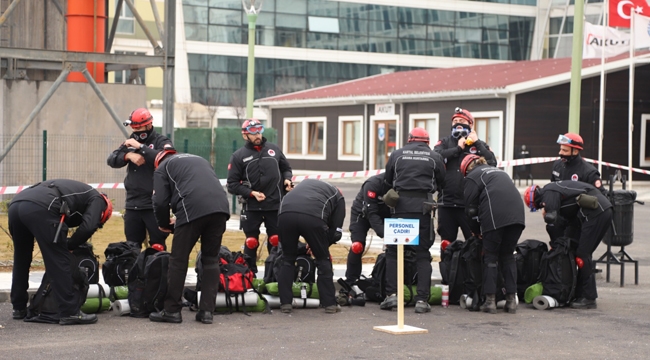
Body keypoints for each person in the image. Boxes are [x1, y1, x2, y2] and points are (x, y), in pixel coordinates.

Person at [9, 179, 113, 325]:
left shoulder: (77, 193)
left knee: (21, 258)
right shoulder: (98, 200)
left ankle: (18, 308)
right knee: (58, 260)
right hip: (42, 206)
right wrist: (71, 244)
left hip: (17, 204)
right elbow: (89, 227)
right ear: (105, 212)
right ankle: (70, 312)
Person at [149, 149, 230, 324]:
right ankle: (207, 311)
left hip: (191, 208)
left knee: (178, 260)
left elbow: (160, 201)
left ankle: (171, 310)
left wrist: (163, 223)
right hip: (221, 208)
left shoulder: (162, 168)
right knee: (211, 260)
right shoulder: (199, 158)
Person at [381, 127, 446, 313]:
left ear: (410, 139)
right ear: (427, 141)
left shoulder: (397, 154)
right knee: (422, 254)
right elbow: (443, 183)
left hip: (399, 207)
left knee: (393, 253)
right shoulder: (434, 157)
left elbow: (387, 180)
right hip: (423, 208)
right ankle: (421, 300)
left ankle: (392, 296)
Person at [524, 181, 613, 309]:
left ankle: (589, 298)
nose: (541, 208)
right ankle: (578, 292)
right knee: (577, 251)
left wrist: (554, 243)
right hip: (599, 211)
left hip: (595, 213)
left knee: (582, 255)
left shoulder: (548, 191)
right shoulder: (557, 190)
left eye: (539, 206)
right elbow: (565, 221)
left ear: (536, 200)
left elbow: (552, 218)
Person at [461, 155, 525, 314]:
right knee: (508, 256)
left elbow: (470, 210)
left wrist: (475, 231)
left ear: (466, 170)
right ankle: (511, 301)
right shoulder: (500, 172)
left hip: (495, 215)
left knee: (490, 256)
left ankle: (490, 301)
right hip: (518, 216)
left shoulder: (472, 177)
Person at [227, 119, 293, 272]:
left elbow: (286, 168)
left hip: (275, 204)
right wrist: (251, 193)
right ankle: (249, 275)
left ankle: (275, 275)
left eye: (259, 130)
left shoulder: (274, 149)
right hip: (252, 206)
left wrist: (287, 180)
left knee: (276, 240)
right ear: (245, 135)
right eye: (253, 132)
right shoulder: (238, 156)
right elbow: (232, 184)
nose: (257, 135)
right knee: (251, 242)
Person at [107, 107, 174, 250]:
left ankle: (157, 271)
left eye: (139, 128)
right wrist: (128, 155)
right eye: (133, 128)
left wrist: (141, 147)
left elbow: (167, 159)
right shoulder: (130, 142)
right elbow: (112, 159)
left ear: (149, 125)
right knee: (132, 247)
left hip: (153, 205)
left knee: (157, 246)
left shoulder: (160, 141)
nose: (136, 132)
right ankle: (135, 272)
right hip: (132, 204)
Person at [277, 179, 345, 314]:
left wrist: (313, 242)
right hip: (313, 217)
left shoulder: (306, 185)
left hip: (285, 214)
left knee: (287, 259)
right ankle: (329, 304)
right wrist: (320, 245)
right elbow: (336, 232)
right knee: (322, 259)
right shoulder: (338, 197)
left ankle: (285, 303)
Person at [434, 107, 496, 243]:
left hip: (470, 205)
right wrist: (458, 149)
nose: (457, 123)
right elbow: (435, 157)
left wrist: (477, 142)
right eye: (455, 121)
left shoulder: (479, 144)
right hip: (447, 203)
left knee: (475, 242)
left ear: (471, 124)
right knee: (446, 244)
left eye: (461, 121)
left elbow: (492, 162)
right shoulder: (445, 142)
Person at [345, 173, 391, 285]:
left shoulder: (401, 183)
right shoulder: (372, 184)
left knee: (394, 246)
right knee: (357, 246)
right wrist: (385, 234)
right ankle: (351, 280)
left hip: (387, 214)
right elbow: (372, 214)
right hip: (362, 214)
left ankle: (390, 281)